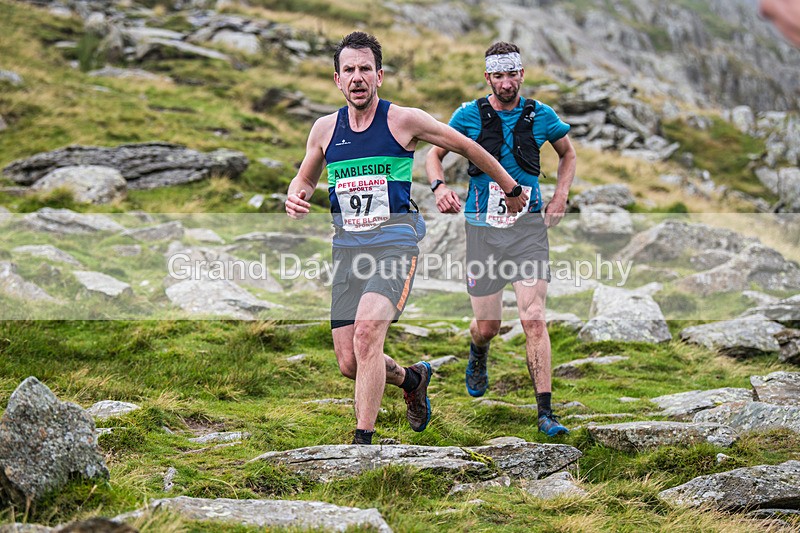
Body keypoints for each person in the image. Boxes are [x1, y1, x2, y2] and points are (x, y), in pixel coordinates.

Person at [285, 32, 529, 445]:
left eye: (366, 69)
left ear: (379, 76)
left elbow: (467, 147)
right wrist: (298, 194)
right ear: (337, 80)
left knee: (366, 335)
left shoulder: (403, 120)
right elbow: (305, 176)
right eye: (349, 70)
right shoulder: (325, 129)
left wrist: (510, 188)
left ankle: (363, 444)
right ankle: (413, 379)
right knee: (350, 362)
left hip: (394, 246)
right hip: (347, 252)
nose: (358, 77)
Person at [425, 41, 577, 437]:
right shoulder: (468, 116)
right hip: (481, 231)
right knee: (488, 325)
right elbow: (433, 155)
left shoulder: (540, 115)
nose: (506, 83)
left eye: (513, 74)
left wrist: (560, 196)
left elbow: (568, 154)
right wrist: (439, 187)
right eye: (498, 75)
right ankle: (478, 350)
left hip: (528, 230)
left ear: (522, 74)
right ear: (487, 77)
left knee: (533, 317)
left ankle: (545, 412)